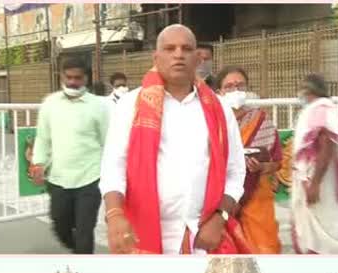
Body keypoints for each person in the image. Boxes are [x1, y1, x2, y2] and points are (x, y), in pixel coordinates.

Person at [100, 24, 250, 255]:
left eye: (186, 48)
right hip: (142, 232)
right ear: (156, 57)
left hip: (202, 234)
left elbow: (236, 170)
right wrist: (115, 214)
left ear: (198, 59)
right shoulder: (131, 105)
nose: (178, 54)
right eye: (169, 48)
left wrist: (220, 218)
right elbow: (113, 166)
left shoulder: (219, 109)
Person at [31, 57, 111, 254]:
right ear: (61, 77)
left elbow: (108, 142)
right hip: (58, 178)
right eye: (69, 77)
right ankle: (79, 253)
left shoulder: (99, 106)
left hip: (90, 178)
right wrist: (38, 163)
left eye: (78, 78)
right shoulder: (50, 104)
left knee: (85, 230)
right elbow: (43, 138)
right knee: (60, 226)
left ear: (86, 78)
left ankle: (83, 261)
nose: (73, 82)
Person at [216, 65, 283, 253]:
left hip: (257, 198)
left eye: (240, 85)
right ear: (219, 91)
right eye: (229, 86)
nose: (235, 90)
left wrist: (261, 167)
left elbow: (277, 162)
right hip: (223, 197)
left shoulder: (261, 120)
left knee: (263, 251)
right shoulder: (214, 120)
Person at [290, 73, 338, 254]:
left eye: (302, 90)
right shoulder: (322, 110)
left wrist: (315, 183)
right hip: (314, 182)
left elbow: (327, 143)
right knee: (312, 232)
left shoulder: (320, 110)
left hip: (319, 184)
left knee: (322, 234)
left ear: (309, 91)